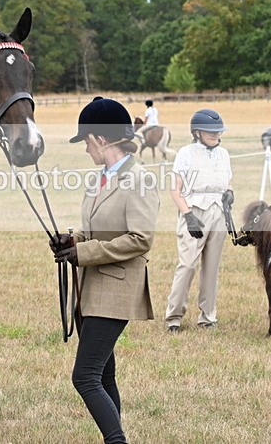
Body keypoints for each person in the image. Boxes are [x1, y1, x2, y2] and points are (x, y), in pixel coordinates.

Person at [50, 96, 159, 444]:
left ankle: (117, 441)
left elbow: (140, 239)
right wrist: (72, 240)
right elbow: (97, 229)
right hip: (92, 289)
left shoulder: (139, 179)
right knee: (104, 373)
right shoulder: (102, 178)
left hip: (116, 289)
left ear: (100, 139)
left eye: (86, 142)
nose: (85, 150)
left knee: (84, 376)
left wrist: (85, 252)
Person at [165, 109, 232, 332]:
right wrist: (188, 215)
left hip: (218, 213)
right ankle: (174, 316)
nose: (215, 135)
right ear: (197, 132)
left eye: (217, 131)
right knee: (187, 265)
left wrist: (230, 193)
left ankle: (208, 316)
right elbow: (175, 189)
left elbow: (227, 182)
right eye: (210, 131)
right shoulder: (186, 153)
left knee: (211, 268)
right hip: (194, 212)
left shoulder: (224, 154)